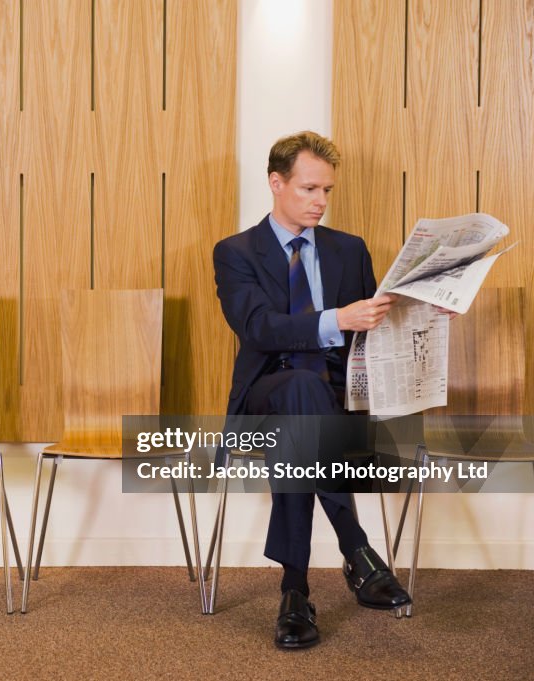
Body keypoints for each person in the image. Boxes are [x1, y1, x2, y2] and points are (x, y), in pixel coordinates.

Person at [213, 131, 411, 650]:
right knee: (300, 391)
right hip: (267, 392)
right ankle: (357, 548)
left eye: (327, 190)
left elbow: (369, 336)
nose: (321, 201)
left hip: (334, 398)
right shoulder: (236, 252)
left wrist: (420, 319)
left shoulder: (349, 249)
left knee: (302, 428)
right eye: (308, 189)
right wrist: (335, 319)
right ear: (276, 184)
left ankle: (295, 589)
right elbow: (258, 328)